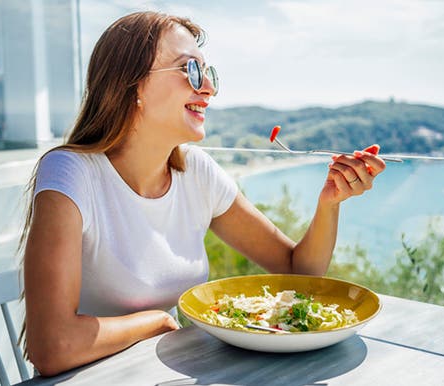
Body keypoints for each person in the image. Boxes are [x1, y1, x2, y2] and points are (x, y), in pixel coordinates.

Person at [21, 11, 386, 376]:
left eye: (208, 74)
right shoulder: (71, 173)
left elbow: (298, 272)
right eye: (190, 71)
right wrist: (156, 322)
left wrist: (330, 203)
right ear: (133, 87)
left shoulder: (196, 172)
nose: (208, 89)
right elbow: (52, 347)